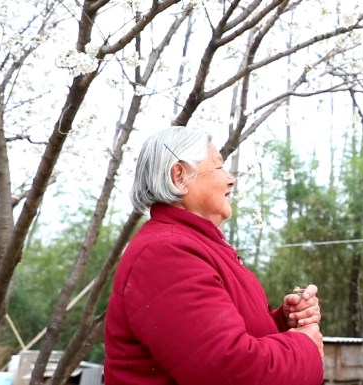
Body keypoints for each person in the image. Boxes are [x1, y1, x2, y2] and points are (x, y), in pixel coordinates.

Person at [104, 126, 324, 385]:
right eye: (218, 167)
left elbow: (214, 343)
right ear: (180, 177)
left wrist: (282, 323)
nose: (230, 179)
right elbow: (226, 369)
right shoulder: (167, 254)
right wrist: (304, 347)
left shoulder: (198, 246)